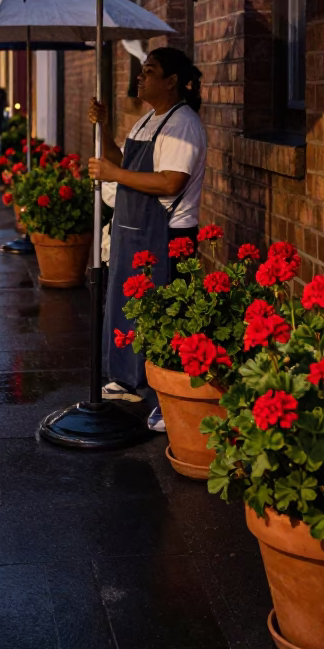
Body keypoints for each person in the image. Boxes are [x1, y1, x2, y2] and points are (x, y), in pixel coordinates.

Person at [88, 46, 207, 430]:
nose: (140, 77)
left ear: (172, 82)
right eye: (141, 71)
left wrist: (113, 174)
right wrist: (103, 128)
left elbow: (171, 182)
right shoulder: (147, 120)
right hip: (134, 233)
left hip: (166, 235)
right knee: (133, 311)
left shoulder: (182, 123)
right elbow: (122, 162)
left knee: (166, 319)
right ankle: (131, 381)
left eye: (149, 71)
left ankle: (167, 400)